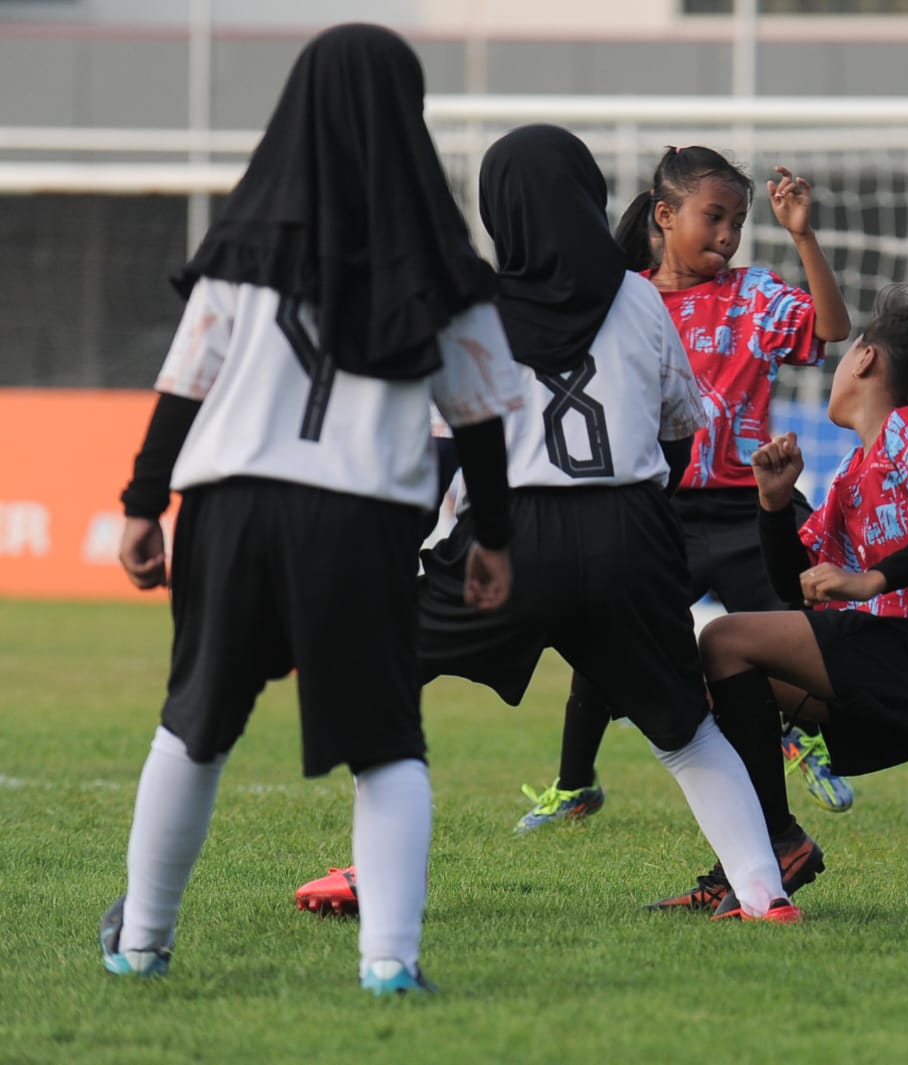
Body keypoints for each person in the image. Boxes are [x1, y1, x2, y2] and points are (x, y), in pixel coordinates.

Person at [100, 24, 523, 996]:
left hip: (230, 508)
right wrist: (492, 536)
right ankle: (388, 963)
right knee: (386, 747)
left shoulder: (243, 239)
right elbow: (480, 415)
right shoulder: (442, 259)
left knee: (194, 724)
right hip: (363, 518)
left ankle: (142, 944)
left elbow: (185, 384)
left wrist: (140, 504)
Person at [300, 125, 808, 923]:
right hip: (636, 532)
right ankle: (763, 894)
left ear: (499, 209)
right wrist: (634, 519)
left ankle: (379, 873)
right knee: (684, 730)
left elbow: (433, 458)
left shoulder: (471, 308)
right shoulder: (642, 296)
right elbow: (683, 432)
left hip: (510, 535)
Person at [513, 144, 857, 834]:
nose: (728, 236)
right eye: (715, 218)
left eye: (737, 222)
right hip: (659, 511)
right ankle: (575, 782)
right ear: (665, 216)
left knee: (796, 627)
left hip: (748, 509)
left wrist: (803, 235)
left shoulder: (753, 294)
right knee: (607, 638)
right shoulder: (623, 301)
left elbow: (832, 329)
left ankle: (807, 736)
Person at [654, 294, 908, 917]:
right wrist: (773, 503)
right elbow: (794, 586)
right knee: (721, 685)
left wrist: (870, 579)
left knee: (721, 641)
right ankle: (752, 863)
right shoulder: (856, 469)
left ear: (866, 358)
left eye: (848, 352)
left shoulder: (905, 429)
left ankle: (775, 843)